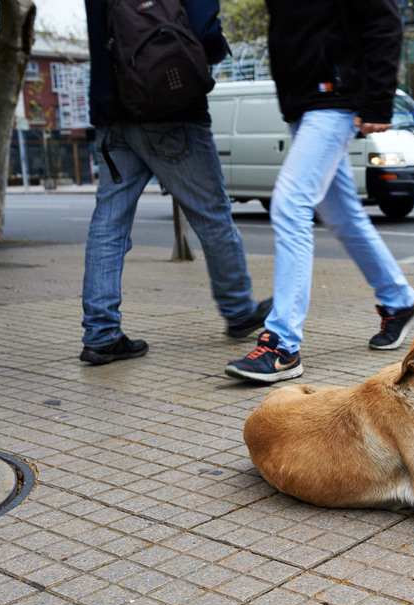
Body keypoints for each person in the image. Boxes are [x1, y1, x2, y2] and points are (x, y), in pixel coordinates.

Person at [225, 0, 414, 383]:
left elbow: (384, 20)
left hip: (334, 96)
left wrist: (378, 99)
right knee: (342, 214)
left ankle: (282, 344)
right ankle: (400, 300)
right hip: (304, 102)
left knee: (289, 205)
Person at [80, 0, 271, 365]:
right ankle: (237, 309)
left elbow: (98, 40)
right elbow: (205, 33)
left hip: (113, 112)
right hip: (173, 110)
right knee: (213, 216)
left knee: (108, 225)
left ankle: (101, 334)